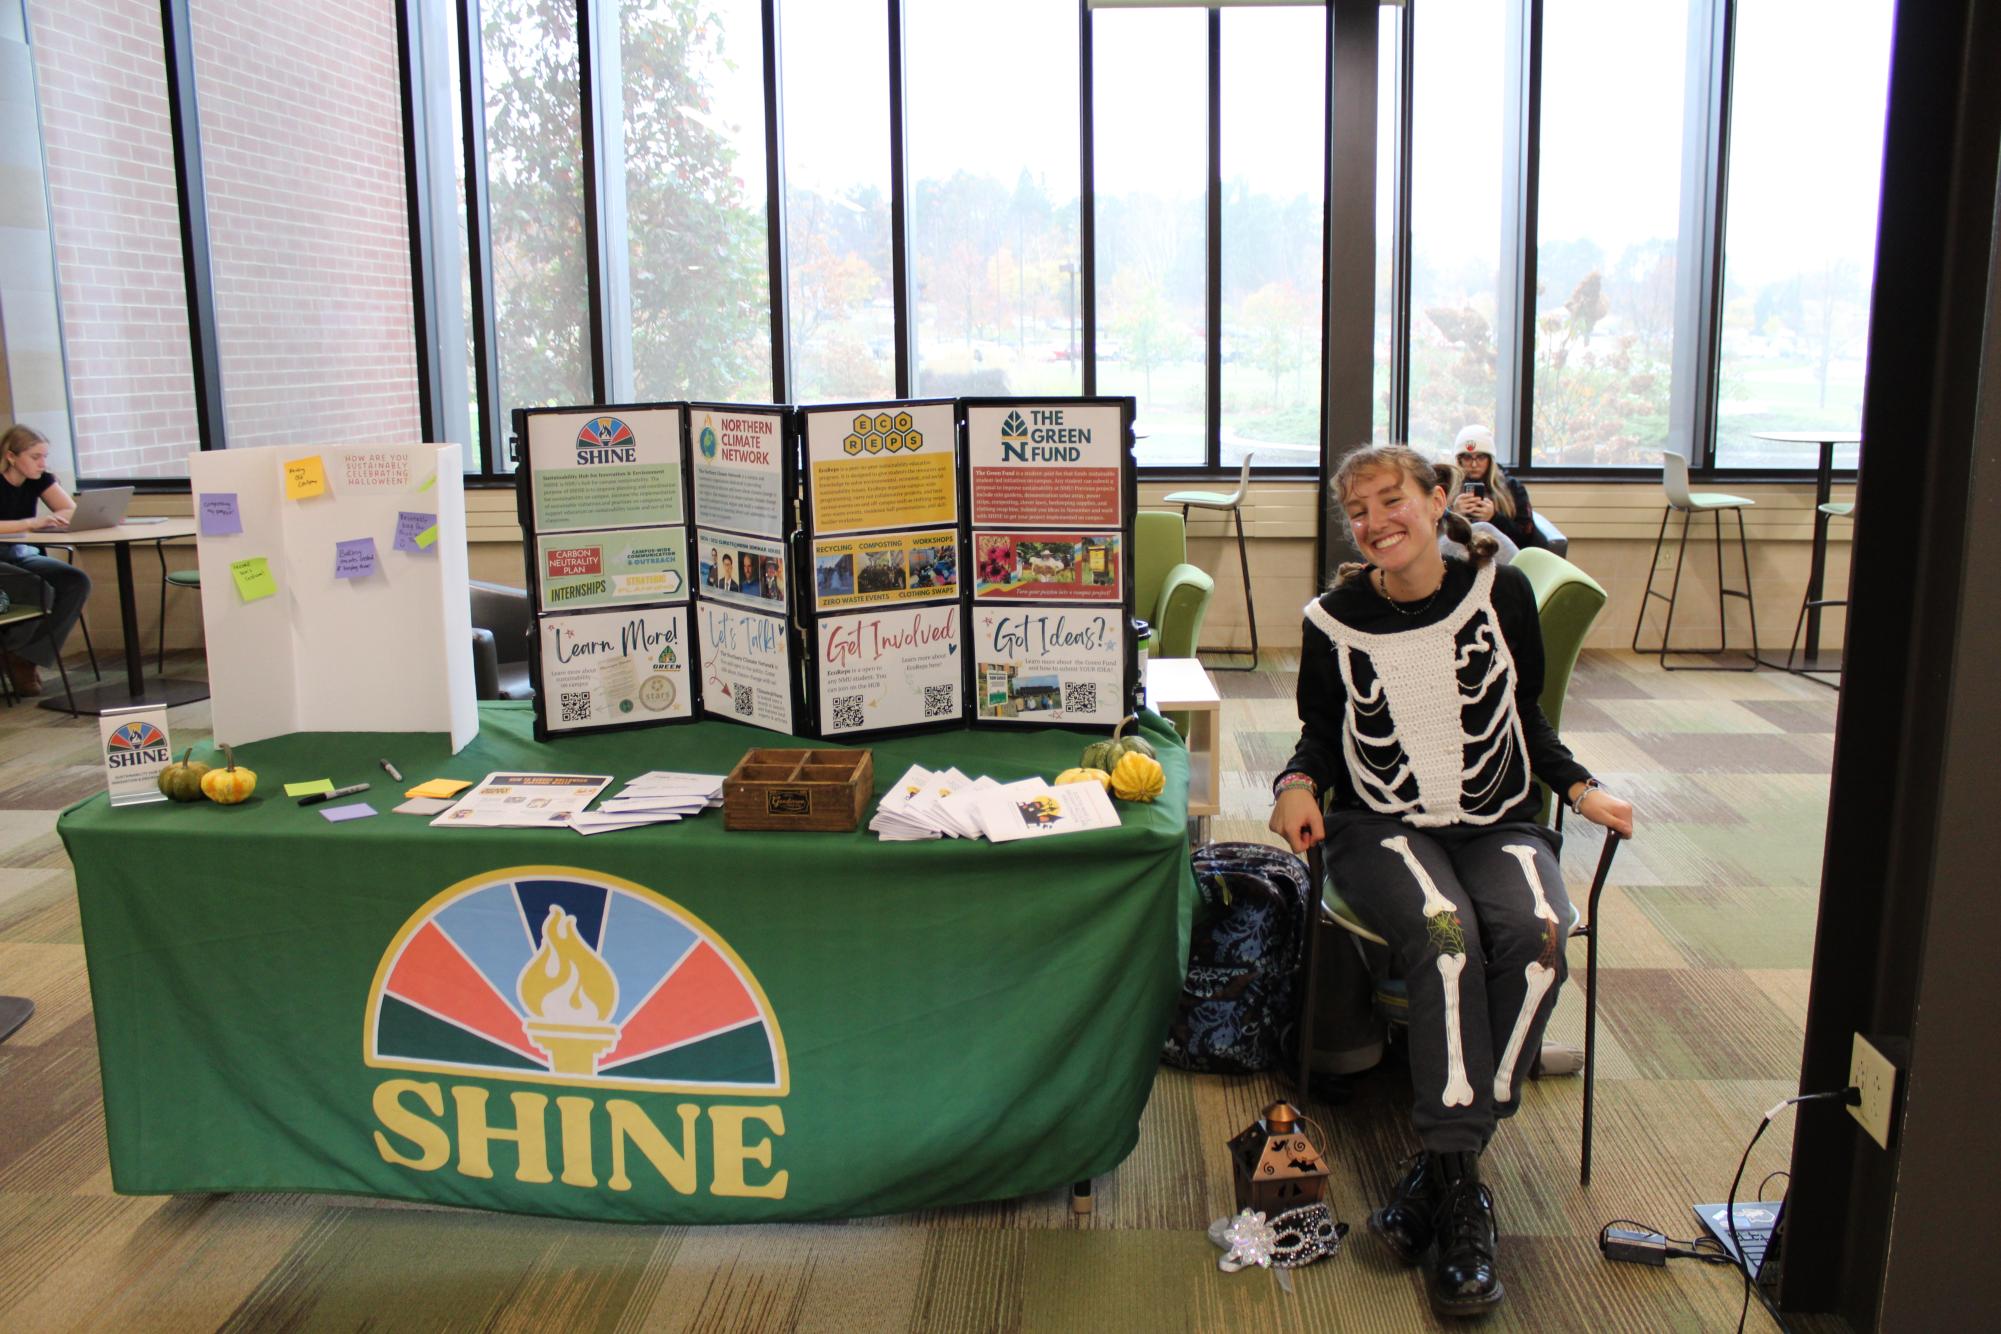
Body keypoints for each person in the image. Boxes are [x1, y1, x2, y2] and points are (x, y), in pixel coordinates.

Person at [1268, 443, 1633, 1319]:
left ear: (1439, 501)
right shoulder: (1331, 619)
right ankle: (1464, 1200)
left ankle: (1440, 1171)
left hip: (1500, 816)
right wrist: (1293, 783)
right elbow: (1319, 731)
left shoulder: (1500, 589)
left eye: (1391, 500)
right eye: (1357, 511)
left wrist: (1580, 787)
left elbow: (1524, 712)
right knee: (1444, 940)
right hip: (1378, 823)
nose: (1375, 522)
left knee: (1539, 938)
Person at [0, 424, 90, 697]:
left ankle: (25, 657)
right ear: (11, 457)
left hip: (21, 553)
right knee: (38, 589)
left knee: (75, 581)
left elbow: (70, 510)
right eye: (35, 457)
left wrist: (55, 519)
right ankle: (14, 655)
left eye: (45, 456)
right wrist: (31, 523)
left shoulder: (39, 478)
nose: (42, 463)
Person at [1450, 426, 1545, 553]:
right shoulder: (1448, 487)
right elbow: (1434, 535)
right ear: (1459, 460)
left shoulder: (1512, 487)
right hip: (1459, 556)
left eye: (1481, 457)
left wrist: (1494, 518)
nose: (1474, 464)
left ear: (1490, 460)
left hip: (1502, 557)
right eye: (1467, 457)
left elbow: (1526, 536)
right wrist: (1454, 514)